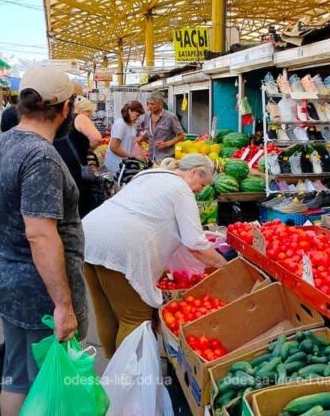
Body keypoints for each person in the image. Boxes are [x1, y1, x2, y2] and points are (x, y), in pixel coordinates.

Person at [0, 65, 86, 416]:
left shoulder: (0, 144)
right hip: (40, 291)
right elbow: (40, 234)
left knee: (17, 378)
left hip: (7, 279)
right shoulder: (41, 155)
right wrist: (63, 305)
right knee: (51, 385)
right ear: (65, 109)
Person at [82, 153, 226, 357]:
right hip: (121, 248)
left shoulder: (150, 174)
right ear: (194, 172)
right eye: (201, 185)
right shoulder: (180, 189)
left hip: (89, 235)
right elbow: (195, 244)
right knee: (135, 318)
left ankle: (113, 375)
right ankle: (128, 379)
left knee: (105, 311)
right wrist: (225, 265)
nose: (199, 191)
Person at [53, 95, 103, 218]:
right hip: (77, 169)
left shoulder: (60, 120)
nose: (90, 117)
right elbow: (97, 138)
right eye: (89, 114)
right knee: (82, 206)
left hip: (61, 166)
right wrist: (90, 148)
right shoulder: (79, 117)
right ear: (83, 110)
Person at [138, 93, 185, 164]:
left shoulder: (170, 117)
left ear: (160, 104)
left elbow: (182, 136)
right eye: (148, 104)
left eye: (152, 104)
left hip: (166, 159)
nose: (149, 107)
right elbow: (150, 136)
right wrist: (143, 138)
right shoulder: (147, 117)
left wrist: (167, 144)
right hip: (151, 158)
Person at [104, 100, 145, 173]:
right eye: (137, 115)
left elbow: (128, 142)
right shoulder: (121, 124)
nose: (138, 118)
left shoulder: (131, 124)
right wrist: (131, 157)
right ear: (129, 111)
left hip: (123, 163)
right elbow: (114, 147)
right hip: (116, 164)